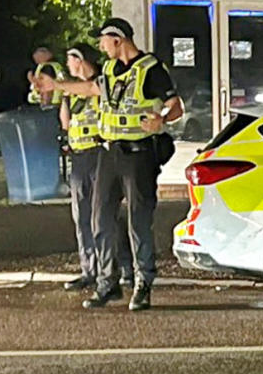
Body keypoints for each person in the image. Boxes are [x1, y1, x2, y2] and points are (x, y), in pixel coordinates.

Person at [40, 17, 182, 311]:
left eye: (103, 40)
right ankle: (108, 284)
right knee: (100, 218)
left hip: (138, 154)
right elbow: (91, 90)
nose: (101, 47)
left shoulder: (150, 69)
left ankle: (143, 284)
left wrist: (162, 119)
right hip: (109, 153)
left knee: (138, 221)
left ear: (118, 40)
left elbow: (176, 105)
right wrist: (58, 85)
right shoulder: (108, 69)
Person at [58, 43, 133, 291]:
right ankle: (89, 269)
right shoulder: (71, 90)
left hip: (100, 153)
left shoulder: (102, 83)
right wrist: (65, 96)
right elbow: (66, 124)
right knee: (82, 216)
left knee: (104, 215)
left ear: (80, 60)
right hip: (79, 157)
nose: (68, 65)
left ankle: (123, 268)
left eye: (70, 60)